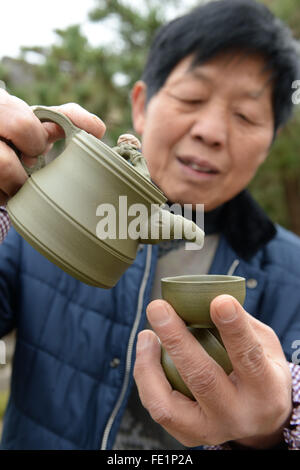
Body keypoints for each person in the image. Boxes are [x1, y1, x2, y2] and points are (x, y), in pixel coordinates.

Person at [0, 0, 300, 450]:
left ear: (271, 140)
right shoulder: (27, 228)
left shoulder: (293, 271)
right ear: (141, 105)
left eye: (246, 116)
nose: (212, 131)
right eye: (192, 98)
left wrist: (276, 425)